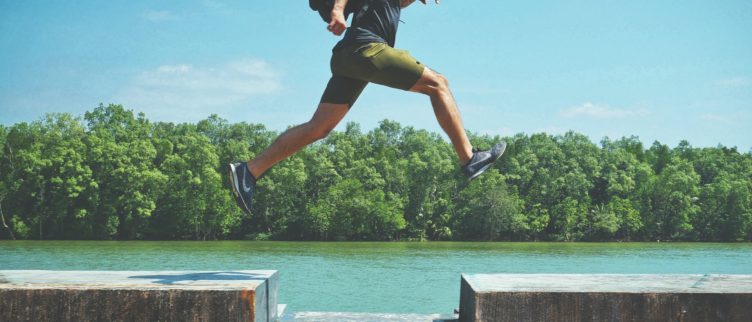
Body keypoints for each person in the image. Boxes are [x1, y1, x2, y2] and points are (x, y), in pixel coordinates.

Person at [229, 0, 506, 214]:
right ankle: (469, 158)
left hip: (348, 57)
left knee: (319, 127)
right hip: (365, 49)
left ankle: (249, 171)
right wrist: (338, 11)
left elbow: (398, 3)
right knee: (439, 84)